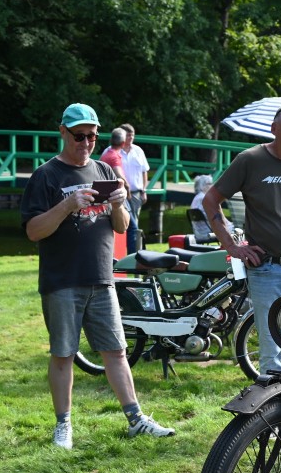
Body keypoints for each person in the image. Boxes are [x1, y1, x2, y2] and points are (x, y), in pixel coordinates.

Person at [20, 103, 174, 449]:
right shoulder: (46, 176)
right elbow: (33, 231)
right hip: (62, 281)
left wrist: (120, 204)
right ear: (63, 132)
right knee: (63, 354)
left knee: (116, 351)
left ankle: (136, 419)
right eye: (79, 136)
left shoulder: (105, 170)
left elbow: (120, 227)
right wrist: (67, 205)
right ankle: (63, 425)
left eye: (92, 135)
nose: (86, 142)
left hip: (103, 279)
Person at [202, 103, 281, 374]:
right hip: (266, 268)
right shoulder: (250, 160)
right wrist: (232, 246)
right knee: (271, 348)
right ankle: (274, 408)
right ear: (274, 130)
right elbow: (211, 200)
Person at [120, 123, 151, 254]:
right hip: (122, 194)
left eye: (132, 135)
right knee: (129, 226)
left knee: (134, 225)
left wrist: (144, 190)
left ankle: (134, 254)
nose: (131, 137)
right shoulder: (114, 151)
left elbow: (145, 171)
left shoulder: (138, 151)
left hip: (136, 193)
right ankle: (132, 254)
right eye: (128, 135)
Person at [190, 174, 232, 241]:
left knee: (234, 227)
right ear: (202, 186)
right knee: (238, 229)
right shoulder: (203, 198)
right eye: (209, 183)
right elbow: (213, 216)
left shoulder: (197, 198)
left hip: (201, 231)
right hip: (207, 231)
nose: (212, 186)